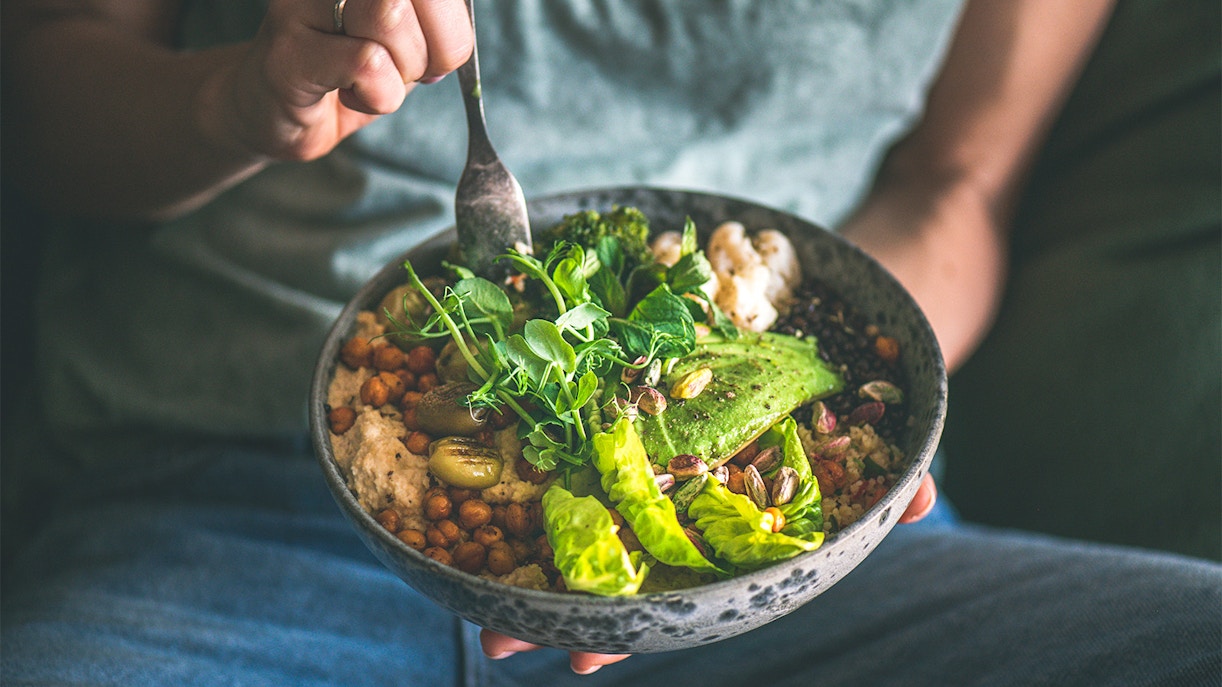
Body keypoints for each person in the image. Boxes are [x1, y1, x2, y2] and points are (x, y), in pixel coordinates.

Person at [1, 0, 1218, 684]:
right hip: (230, 514)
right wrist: (242, 99)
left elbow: (960, 180)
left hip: (781, 578)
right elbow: (46, 101)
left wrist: (836, 440)